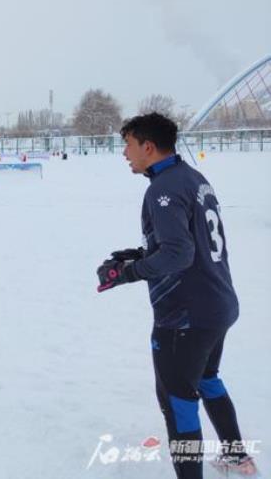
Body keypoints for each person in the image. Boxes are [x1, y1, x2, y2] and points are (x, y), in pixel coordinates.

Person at [95, 113, 256, 478]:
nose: (125, 153)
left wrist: (129, 273)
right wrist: (138, 255)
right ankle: (236, 456)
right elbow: (187, 244)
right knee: (207, 378)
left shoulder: (162, 188)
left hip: (185, 316)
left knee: (177, 402)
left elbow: (178, 255)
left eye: (129, 145)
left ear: (148, 147)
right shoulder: (192, 178)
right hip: (217, 304)